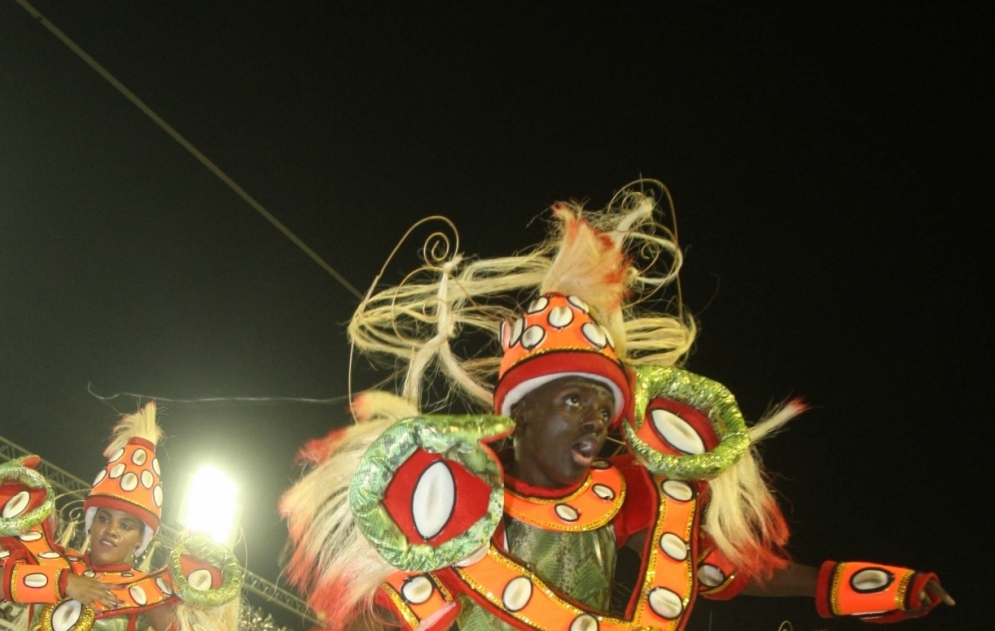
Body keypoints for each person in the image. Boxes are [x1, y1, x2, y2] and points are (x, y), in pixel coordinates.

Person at [280, 184, 953, 631]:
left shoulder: (622, 493)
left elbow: (741, 572)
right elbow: (389, 605)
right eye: (574, 399)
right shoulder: (456, 495)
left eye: (604, 405)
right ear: (522, 411)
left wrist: (890, 585)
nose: (596, 419)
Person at [0, 402, 241, 631]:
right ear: (91, 523)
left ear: (140, 541)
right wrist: (64, 583)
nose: (112, 531)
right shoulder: (55, 561)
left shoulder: (147, 590)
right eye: (104, 519)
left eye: (126, 525)